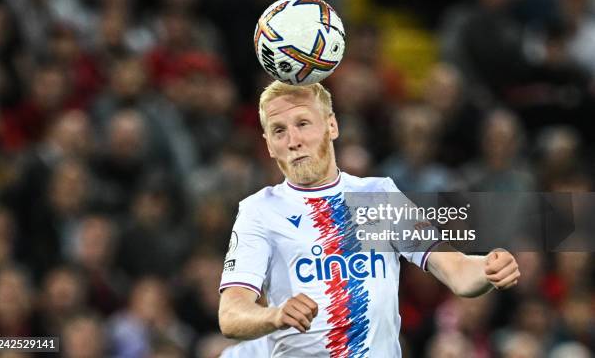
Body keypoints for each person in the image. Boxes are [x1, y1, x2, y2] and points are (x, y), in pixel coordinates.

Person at [218, 81, 520, 357]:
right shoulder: (259, 211)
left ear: (331, 126)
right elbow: (231, 313)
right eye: (279, 130)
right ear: (269, 144)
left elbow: (456, 270)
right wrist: (274, 315)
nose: (293, 140)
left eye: (303, 124)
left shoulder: (378, 195)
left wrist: (488, 268)